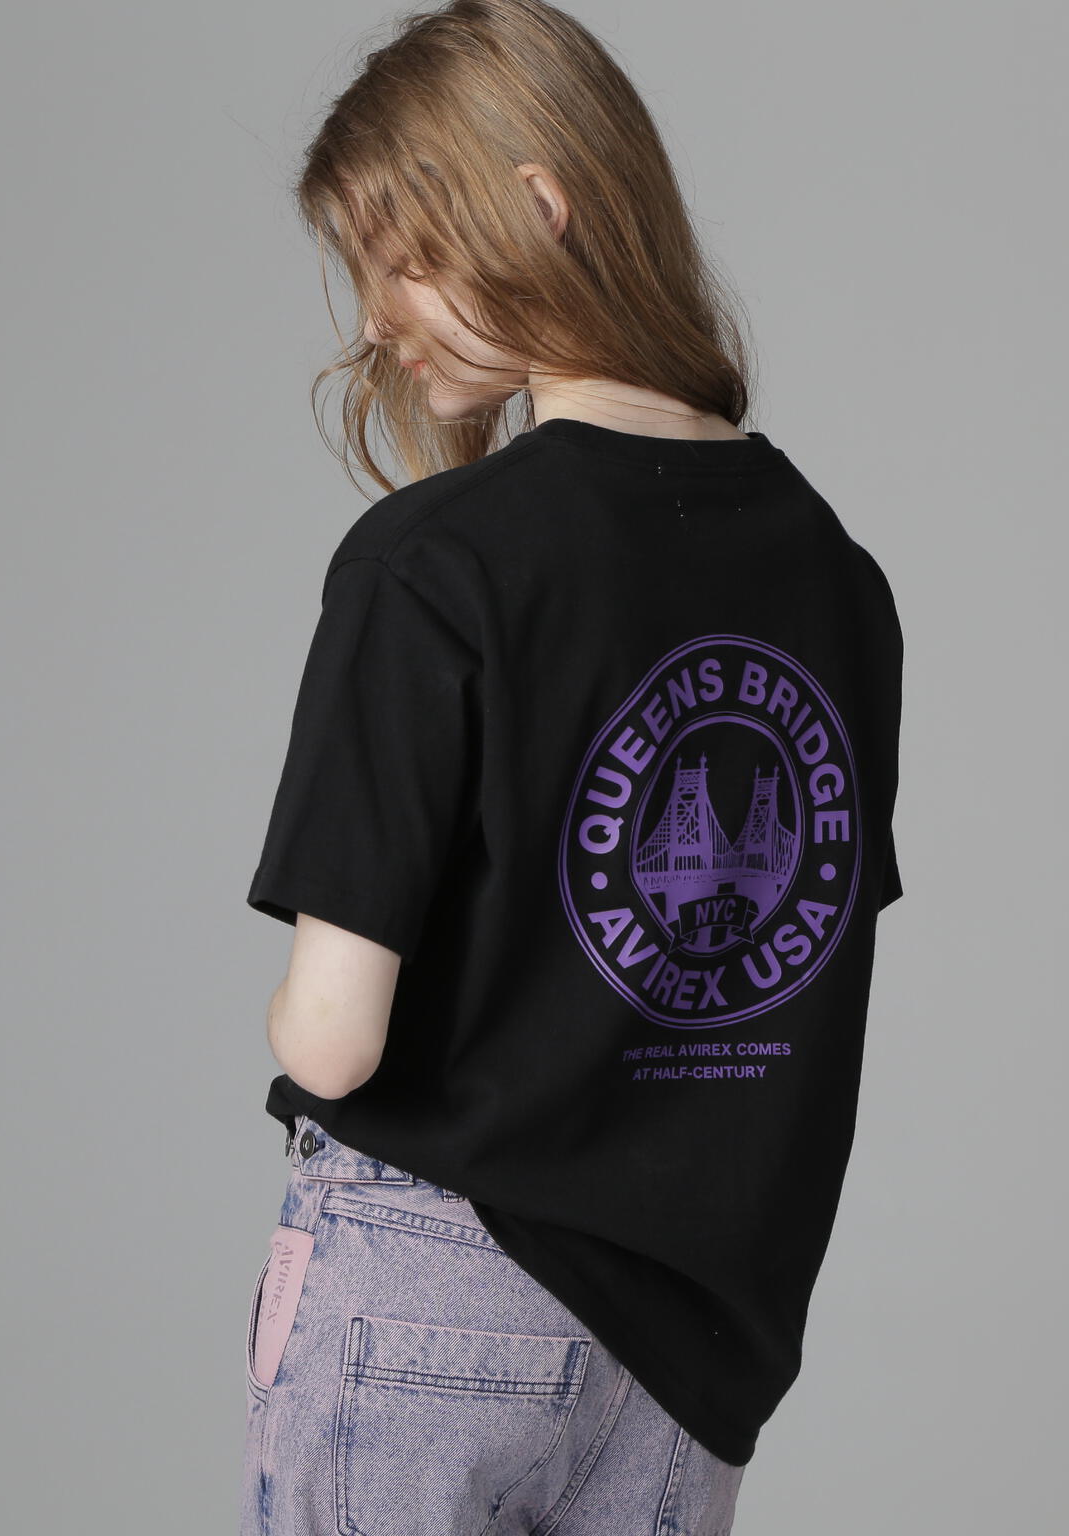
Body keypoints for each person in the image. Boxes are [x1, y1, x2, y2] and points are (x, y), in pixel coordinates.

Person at [240, 2, 905, 1532]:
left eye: (403, 258)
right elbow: (773, 978)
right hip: (693, 1340)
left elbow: (332, 1045)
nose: (376, 319)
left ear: (539, 205)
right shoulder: (835, 577)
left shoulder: (433, 562)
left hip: (430, 1282)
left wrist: (285, 1013)